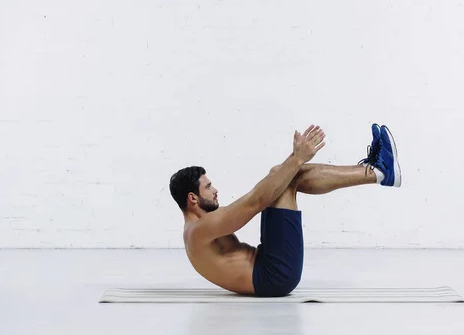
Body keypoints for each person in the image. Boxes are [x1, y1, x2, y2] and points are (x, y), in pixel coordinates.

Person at [169, 123, 401, 297]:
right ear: (193, 198)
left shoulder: (200, 227)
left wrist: (293, 161)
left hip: (268, 266)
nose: (215, 190)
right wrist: (297, 158)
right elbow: (254, 203)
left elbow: (257, 197)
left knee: (283, 174)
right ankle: (378, 173)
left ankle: (377, 172)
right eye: (208, 187)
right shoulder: (200, 229)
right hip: (274, 277)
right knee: (286, 177)